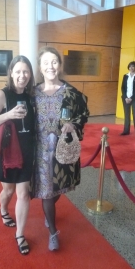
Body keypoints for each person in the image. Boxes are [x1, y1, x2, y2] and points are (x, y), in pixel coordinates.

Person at [32, 46, 89, 251]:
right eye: (46, 62)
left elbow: (83, 112)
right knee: (47, 192)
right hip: (39, 152)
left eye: (54, 62)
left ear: (60, 65)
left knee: (57, 189)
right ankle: (53, 233)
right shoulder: (33, 93)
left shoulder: (71, 92)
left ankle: (49, 214)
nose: (50, 66)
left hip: (60, 150)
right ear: (40, 67)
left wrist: (73, 124)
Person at [0, 55, 35, 255]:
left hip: (27, 151)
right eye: (18, 72)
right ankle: (3, 209)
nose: (22, 76)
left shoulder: (31, 96)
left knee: (23, 194)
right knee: (9, 191)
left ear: (30, 74)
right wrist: (9, 114)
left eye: (26, 72)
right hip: (7, 152)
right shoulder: (2, 95)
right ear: (11, 73)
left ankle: (20, 234)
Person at [120, 61, 135, 136]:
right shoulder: (125, 76)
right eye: (130, 66)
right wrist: (125, 97)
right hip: (125, 98)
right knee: (127, 115)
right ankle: (126, 131)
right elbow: (123, 88)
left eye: (133, 66)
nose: (131, 68)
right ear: (128, 67)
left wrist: (131, 98)